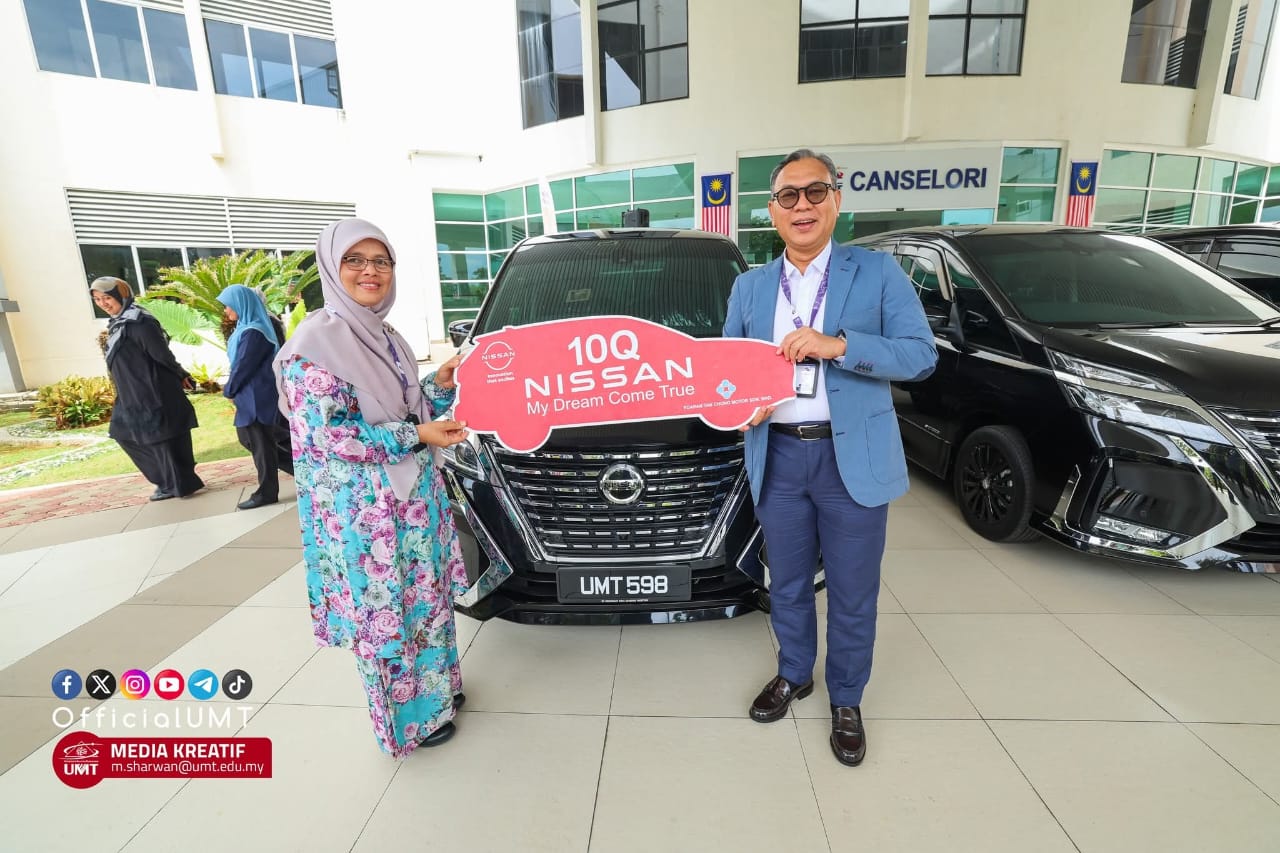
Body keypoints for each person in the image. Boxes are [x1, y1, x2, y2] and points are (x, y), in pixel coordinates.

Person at [723, 149, 937, 767]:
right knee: (787, 583)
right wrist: (743, 407)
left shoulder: (877, 273)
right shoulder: (750, 286)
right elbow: (729, 375)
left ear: (836, 200)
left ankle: (846, 698)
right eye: (788, 196)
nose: (803, 206)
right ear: (772, 211)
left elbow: (921, 355)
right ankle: (795, 673)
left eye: (815, 192)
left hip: (852, 460)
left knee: (852, 590)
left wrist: (838, 346)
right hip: (779, 457)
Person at [274, 218, 471, 758]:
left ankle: (438, 695)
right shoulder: (314, 345)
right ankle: (407, 724)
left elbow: (407, 408)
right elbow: (329, 435)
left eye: (381, 261)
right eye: (355, 260)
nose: (370, 271)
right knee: (386, 617)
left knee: (426, 601)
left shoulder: (386, 335)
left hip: (413, 502)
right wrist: (416, 436)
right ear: (331, 268)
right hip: (368, 517)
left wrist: (439, 386)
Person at [89, 277, 205, 501]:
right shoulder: (120, 322)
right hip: (131, 392)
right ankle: (170, 480)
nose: (103, 303)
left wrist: (180, 374)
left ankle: (175, 484)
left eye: (107, 298)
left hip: (150, 390)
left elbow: (161, 354)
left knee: (161, 438)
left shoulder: (139, 322)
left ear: (122, 295)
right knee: (124, 433)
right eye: (98, 300)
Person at [217, 284, 294, 510]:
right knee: (254, 441)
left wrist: (229, 389)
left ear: (241, 304)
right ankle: (303, 472)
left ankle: (267, 492)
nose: (226, 311)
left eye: (228, 305)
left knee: (260, 444)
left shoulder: (255, 332)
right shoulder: (247, 328)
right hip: (251, 395)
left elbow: (244, 366)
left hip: (257, 396)